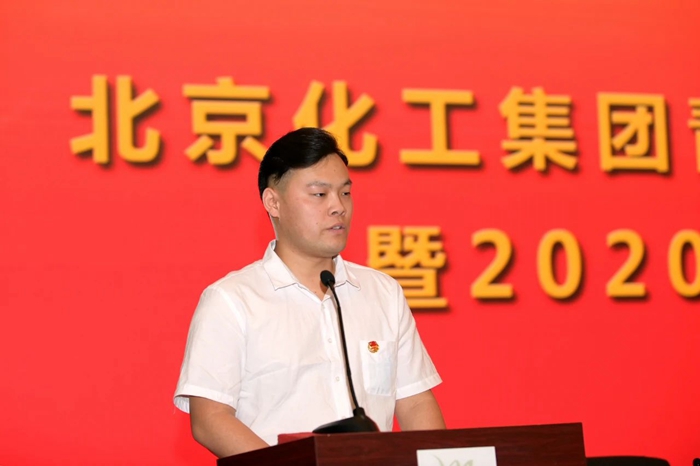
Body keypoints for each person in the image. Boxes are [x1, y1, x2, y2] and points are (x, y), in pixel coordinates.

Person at [173, 127, 445, 458]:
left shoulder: (382, 293)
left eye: (345, 193)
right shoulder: (232, 300)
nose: (338, 207)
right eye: (319, 194)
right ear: (273, 202)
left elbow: (415, 401)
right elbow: (210, 418)